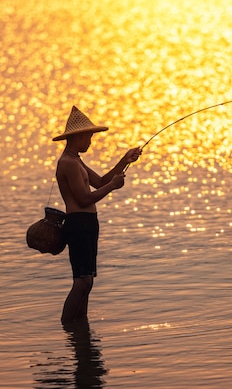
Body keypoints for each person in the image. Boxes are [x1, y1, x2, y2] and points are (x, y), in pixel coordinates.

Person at [53, 106, 141, 323]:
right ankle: (67, 327)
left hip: (89, 223)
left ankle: (80, 328)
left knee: (88, 280)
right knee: (81, 281)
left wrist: (125, 160)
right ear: (79, 136)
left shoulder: (76, 160)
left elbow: (100, 182)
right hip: (78, 224)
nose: (91, 142)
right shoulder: (68, 163)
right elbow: (84, 199)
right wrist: (112, 187)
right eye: (89, 137)